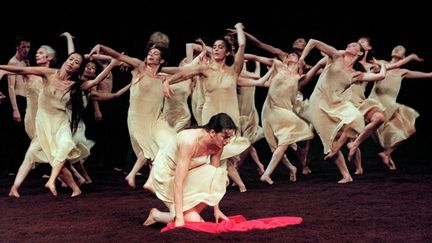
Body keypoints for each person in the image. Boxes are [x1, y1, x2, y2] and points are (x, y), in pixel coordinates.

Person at [1, 52, 118, 197]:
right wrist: (2, 68)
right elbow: (21, 70)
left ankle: (52, 181)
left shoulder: (75, 85)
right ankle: (16, 188)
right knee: (32, 155)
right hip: (44, 123)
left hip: (61, 122)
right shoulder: (49, 74)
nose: (72, 63)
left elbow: (94, 82)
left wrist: (112, 64)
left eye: (76, 62)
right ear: (65, 60)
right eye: (70, 59)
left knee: (65, 146)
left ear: (78, 68)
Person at [88, 34, 176, 189]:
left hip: (156, 118)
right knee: (150, 148)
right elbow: (118, 56)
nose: (151, 55)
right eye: (150, 52)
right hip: (138, 118)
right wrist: (101, 46)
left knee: (166, 144)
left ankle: (135, 176)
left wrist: (169, 81)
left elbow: (185, 71)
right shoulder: (139, 67)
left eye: (156, 54)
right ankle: (148, 180)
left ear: (162, 60)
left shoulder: (163, 76)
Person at [298, 39, 386, 183]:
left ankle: (337, 149)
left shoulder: (355, 74)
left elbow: (380, 76)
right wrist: (302, 58)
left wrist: (382, 65)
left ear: (359, 53)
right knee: (328, 139)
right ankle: (346, 175)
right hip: (318, 102)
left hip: (335, 102)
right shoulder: (336, 56)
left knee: (356, 117)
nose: (348, 45)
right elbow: (313, 42)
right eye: (348, 44)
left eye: (353, 45)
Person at [143, 113, 249, 227]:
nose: (228, 141)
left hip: (189, 172)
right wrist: (179, 219)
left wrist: (216, 209)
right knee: (192, 221)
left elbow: (213, 179)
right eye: (225, 137)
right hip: (167, 175)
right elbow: (178, 182)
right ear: (212, 132)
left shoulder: (218, 145)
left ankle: (180, 214)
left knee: (218, 174)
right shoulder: (189, 141)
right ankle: (157, 215)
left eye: (230, 138)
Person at [245, 53, 325, 184]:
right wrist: (238, 54)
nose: (292, 55)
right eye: (290, 55)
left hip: (284, 112)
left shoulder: (300, 78)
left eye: (296, 56)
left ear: (301, 62)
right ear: (286, 59)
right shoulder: (278, 66)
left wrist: (322, 62)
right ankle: (291, 168)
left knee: (284, 142)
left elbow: (319, 67)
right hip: (268, 110)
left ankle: (266, 174)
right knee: (274, 146)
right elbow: (256, 57)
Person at [368, 45, 430, 169]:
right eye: (395, 47)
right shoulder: (382, 63)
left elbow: (428, 75)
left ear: (403, 56)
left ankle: (387, 153)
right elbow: (373, 70)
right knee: (371, 133)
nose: (396, 48)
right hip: (374, 104)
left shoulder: (403, 72)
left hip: (390, 107)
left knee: (411, 130)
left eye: (400, 49)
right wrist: (376, 67)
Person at [3, 36, 31, 176]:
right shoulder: (12, 62)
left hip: (26, 100)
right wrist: (15, 109)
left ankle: (21, 166)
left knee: (24, 135)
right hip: (17, 101)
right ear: (17, 47)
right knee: (15, 135)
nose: (26, 50)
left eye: (28, 47)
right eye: (23, 47)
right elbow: (11, 88)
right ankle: (11, 168)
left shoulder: (25, 63)